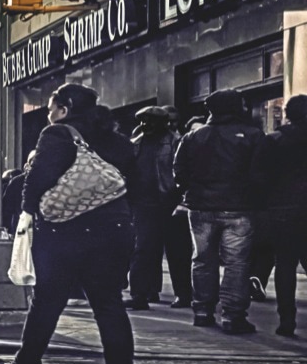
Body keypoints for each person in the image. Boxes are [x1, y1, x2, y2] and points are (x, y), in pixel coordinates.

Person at [0, 83, 137, 364]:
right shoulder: (119, 142)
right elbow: (135, 186)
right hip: (114, 230)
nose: (48, 114)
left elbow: (39, 178)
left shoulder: (59, 135)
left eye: (50, 108)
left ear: (64, 109)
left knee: (47, 301)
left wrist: (27, 212)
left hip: (64, 232)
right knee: (109, 305)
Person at [175, 87, 264, 333]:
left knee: (202, 259)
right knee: (237, 263)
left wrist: (192, 190)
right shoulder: (253, 135)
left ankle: (202, 311)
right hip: (239, 207)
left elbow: (179, 172)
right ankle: (233, 316)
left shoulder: (193, 137)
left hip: (201, 207)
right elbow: (260, 174)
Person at [252, 95, 307, 338]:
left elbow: (259, 176)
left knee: (284, 264)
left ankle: (287, 320)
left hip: (282, 209)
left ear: (287, 114)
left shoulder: (273, 141)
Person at [125, 106, 184, 310]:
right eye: (144, 121)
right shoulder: (136, 143)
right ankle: (141, 294)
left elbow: (181, 171)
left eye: (151, 121)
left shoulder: (175, 142)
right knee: (143, 249)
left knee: (177, 251)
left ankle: (183, 294)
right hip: (143, 204)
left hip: (169, 202)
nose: (146, 125)